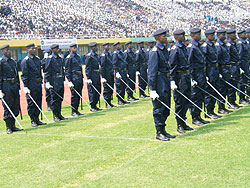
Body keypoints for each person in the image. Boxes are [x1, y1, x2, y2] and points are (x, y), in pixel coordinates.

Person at [148, 29, 176, 141]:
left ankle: (163, 130)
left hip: (165, 79)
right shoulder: (155, 51)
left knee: (166, 107)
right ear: (158, 38)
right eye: (164, 36)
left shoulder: (164, 49)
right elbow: (152, 71)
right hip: (159, 81)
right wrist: (152, 89)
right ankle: (159, 132)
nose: (166, 38)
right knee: (159, 108)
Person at [169, 29, 194, 133]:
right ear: (176, 37)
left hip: (186, 77)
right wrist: (172, 81)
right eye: (181, 35)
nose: (184, 36)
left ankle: (184, 122)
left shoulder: (183, 48)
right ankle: (179, 124)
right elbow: (172, 66)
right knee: (180, 102)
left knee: (187, 101)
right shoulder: (175, 49)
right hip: (179, 78)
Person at [187, 28, 210, 125]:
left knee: (201, 95)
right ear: (192, 35)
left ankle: (199, 116)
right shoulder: (191, 47)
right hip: (195, 74)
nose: (199, 36)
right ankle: (195, 117)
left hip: (201, 73)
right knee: (195, 96)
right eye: (197, 34)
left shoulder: (198, 46)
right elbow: (189, 63)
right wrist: (192, 78)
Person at [21, 43, 46, 127]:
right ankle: (32, 120)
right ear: (27, 50)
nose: (34, 50)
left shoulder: (37, 59)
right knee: (32, 102)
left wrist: (41, 81)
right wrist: (25, 86)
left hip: (38, 83)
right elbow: (24, 74)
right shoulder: (26, 61)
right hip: (31, 84)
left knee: (38, 100)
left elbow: (39, 72)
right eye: (32, 48)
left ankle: (37, 118)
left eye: (34, 48)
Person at [0, 44, 23, 134]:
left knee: (15, 105)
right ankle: (8, 127)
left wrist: (19, 86)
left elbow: (17, 75)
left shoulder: (13, 61)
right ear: (2, 52)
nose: (8, 52)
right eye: (6, 50)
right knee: (8, 106)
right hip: (6, 85)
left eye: (9, 50)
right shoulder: (1, 62)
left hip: (14, 85)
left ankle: (13, 125)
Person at [201, 29, 222, 118]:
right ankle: (208, 111)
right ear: (207, 36)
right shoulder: (205, 46)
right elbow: (204, 61)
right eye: (212, 35)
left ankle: (212, 110)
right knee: (209, 91)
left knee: (215, 89)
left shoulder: (212, 45)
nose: (214, 37)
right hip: (209, 70)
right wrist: (205, 74)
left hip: (215, 69)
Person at [44, 44, 67, 121]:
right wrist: (47, 82)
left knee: (60, 98)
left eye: (58, 48)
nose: (58, 50)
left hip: (60, 80)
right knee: (54, 99)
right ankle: (55, 115)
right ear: (52, 50)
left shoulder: (60, 58)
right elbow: (47, 71)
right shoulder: (50, 59)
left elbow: (62, 69)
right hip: (53, 80)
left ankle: (59, 114)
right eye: (56, 49)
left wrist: (63, 79)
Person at [215, 29, 234, 114]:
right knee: (222, 89)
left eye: (225, 34)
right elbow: (217, 60)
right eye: (223, 34)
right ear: (218, 35)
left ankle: (224, 106)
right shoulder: (218, 45)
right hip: (222, 69)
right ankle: (221, 107)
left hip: (227, 68)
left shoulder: (224, 45)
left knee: (226, 88)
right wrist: (218, 72)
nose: (224, 36)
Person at [65, 43, 84, 116]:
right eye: (74, 48)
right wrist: (69, 81)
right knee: (74, 95)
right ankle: (73, 111)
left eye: (76, 48)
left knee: (79, 94)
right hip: (73, 77)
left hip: (79, 77)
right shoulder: (69, 57)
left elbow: (80, 68)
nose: (75, 49)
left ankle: (77, 110)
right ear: (71, 49)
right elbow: (67, 70)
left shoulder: (78, 57)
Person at [85, 42, 102, 112]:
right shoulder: (89, 56)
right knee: (92, 92)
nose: (96, 48)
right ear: (92, 48)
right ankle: (92, 106)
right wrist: (88, 78)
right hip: (92, 75)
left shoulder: (96, 56)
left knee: (98, 90)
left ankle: (95, 105)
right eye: (95, 47)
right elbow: (88, 68)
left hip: (97, 75)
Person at [226, 29, 241, 109]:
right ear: (229, 36)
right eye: (233, 34)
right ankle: (231, 102)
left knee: (235, 83)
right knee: (231, 85)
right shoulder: (228, 45)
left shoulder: (234, 44)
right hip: (232, 66)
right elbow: (227, 57)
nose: (235, 35)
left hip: (236, 66)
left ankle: (234, 101)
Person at [237, 30, 250, 105]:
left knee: (246, 80)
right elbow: (239, 55)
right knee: (242, 81)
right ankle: (242, 98)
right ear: (240, 35)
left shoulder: (246, 42)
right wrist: (240, 67)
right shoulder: (240, 43)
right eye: (244, 33)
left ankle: (246, 96)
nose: (245, 35)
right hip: (243, 63)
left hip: (246, 62)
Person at [100, 42, 115, 108]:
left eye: (109, 46)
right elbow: (102, 66)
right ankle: (107, 102)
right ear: (104, 47)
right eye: (107, 46)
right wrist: (103, 76)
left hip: (111, 73)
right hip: (106, 74)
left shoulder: (109, 54)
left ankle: (110, 102)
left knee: (111, 87)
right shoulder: (103, 55)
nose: (108, 47)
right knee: (107, 88)